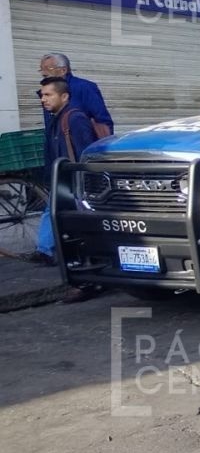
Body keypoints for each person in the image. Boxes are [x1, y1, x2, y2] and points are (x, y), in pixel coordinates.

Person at [27, 54, 114, 267]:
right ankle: (47, 250)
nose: (43, 73)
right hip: (59, 161)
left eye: (46, 69)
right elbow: (51, 132)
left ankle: (93, 256)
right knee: (54, 205)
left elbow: (103, 122)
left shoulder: (83, 90)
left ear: (62, 70)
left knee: (79, 208)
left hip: (75, 163)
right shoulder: (50, 93)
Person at [39, 78, 104, 303]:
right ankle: (80, 278)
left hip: (74, 186)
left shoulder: (74, 118)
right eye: (42, 95)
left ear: (64, 96)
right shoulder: (57, 119)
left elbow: (85, 154)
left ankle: (88, 281)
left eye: (48, 95)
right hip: (63, 183)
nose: (43, 99)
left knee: (79, 233)